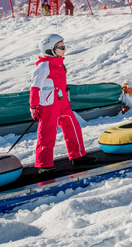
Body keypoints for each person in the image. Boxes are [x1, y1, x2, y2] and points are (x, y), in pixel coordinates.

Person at [30, 34, 89, 172]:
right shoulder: (44, 66)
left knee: (73, 128)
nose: (64, 49)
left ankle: (77, 156)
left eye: (64, 46)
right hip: (49, 106)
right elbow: (35, 88)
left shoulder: (59, 64)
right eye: (61, 47)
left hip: (62, 104)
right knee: (47, 134)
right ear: (50, 49)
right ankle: (44, 165)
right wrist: (34, 106)